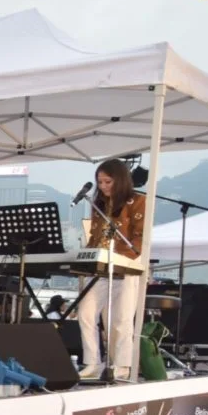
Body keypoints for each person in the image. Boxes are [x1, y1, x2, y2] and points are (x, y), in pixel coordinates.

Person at [77, 158, 147, 380]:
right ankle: (92, 362)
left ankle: (122, 365)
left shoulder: (138, 201)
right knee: (85, 312)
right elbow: (94, 236)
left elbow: (140, 237)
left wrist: (123, 257)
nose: (103, 186)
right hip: (101, 268)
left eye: (108, 181)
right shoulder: (99, 203)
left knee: (121, 319)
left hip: (126, 267)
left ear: (121, 180)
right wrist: (87, 258)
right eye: (100, 182)